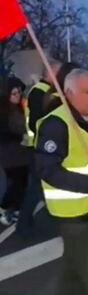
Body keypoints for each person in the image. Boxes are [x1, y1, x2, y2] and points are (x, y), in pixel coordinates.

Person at [35, 69, 88, 295]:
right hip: (71, 212)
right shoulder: (56, 124)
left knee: (72, 265)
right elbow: (46, 168)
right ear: (68, 94)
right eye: (86, 91)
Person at [17, 59, 63, 236]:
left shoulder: (50, 91)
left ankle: (33, 222)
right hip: (40, 147)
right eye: (58, 74)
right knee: (35, 188)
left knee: (41, 187)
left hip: (45, 147)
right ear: (49, 73)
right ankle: (24, 225)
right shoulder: (39, 92)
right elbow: (38, 121)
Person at [0, 78, 29, 226]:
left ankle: (16, 209)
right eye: (13, 93)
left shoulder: (20, 108)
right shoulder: (4, 112)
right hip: (10, 154)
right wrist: (19, 136)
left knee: (22, 183)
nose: (17, 95)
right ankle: (6, 207)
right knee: (15, 184)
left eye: (18, 92)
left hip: (21, 153)